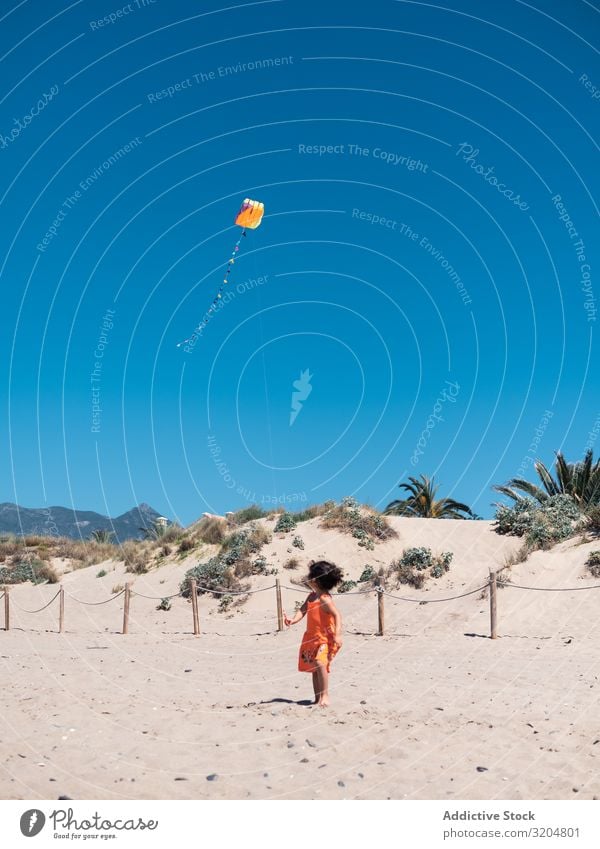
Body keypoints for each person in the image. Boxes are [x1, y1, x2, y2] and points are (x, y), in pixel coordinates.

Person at [283, 560, 343, 707]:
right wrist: (293, 620)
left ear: (315, 580)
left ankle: (325, 696)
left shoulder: (325, 599)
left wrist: (337, 634)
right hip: (311, 638)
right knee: (314, 668)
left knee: (320, 663)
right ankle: (317, 698)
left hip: (325, 638)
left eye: (310, 576)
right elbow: (302, 610)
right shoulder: (311, 597)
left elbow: (337, 615)